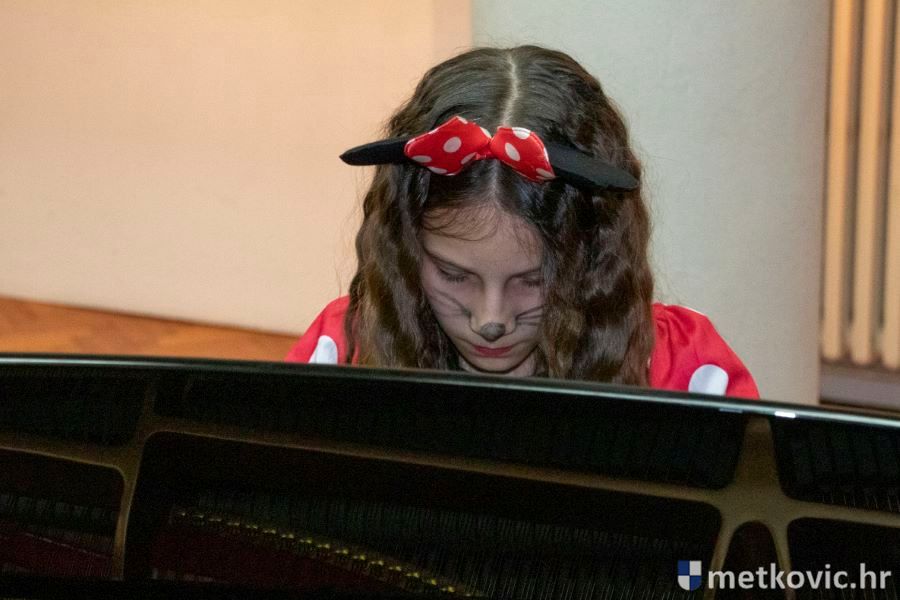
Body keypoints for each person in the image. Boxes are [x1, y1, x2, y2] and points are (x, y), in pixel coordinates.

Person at [286, 45, 759, 399]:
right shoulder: (338, 354)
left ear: (595, 257)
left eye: (534, 280)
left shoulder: (692, 374)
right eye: (453, 275)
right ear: (405, 248)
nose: (491, 321)